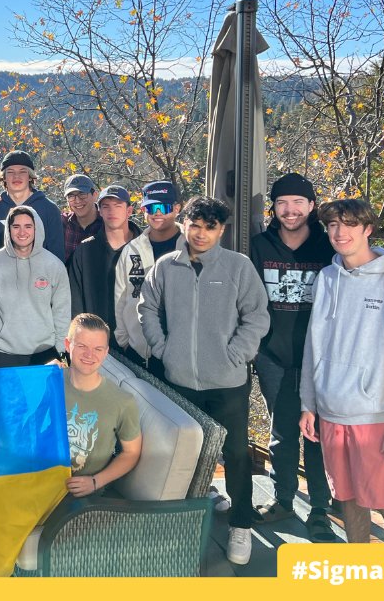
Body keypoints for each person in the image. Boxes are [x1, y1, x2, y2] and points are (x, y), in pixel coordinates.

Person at [138, 196, 269, 565]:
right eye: (195, 225)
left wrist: (235, 354)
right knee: (186, 454)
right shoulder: (166, 266)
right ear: (184, 225)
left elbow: (257, 316)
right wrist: (163, 349)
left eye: (210, 227)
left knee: (237, 454)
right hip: (179, 380)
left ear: (221, 230)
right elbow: (146, 306)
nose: (201, 233)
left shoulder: (238, 267)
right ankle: (184, 524)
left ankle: (241, 524)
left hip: (227, 380)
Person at [300, 198, 384, 544]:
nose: (339, 232)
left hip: (378, 417)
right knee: (347, 499)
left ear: (367, 229)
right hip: (332, 413)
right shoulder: (327, 278)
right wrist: (309, 403)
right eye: (333, 225)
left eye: (349, 224)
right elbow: (312, 344)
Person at [248, 173, 335, 539]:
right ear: (274, 206)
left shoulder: (327, 246)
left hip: (318, 357)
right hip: (272, 354)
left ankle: (320, 510)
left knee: (318, 435)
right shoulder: (259, 245)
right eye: (282, 202)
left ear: (312, 206)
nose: (290, 209)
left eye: (298, 202)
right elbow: (248, 299)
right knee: (282, 431)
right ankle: (283, 500)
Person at [0, 206, 70, 367]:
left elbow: (62, 311)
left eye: (28, 226)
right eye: (16, 226)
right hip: (1, 354)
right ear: (8, 229)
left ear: (36, 228)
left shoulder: (54, 265)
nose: (22, 232)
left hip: (45, 354)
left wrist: (59, 349)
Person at [61, 313, 142, 498]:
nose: (90, 355)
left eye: (98, 349)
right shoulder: (49, 381)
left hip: (81, 495)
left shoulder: (123, 401)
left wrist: (96, 482)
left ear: (106, 352)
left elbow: (132, 452)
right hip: (40, 481)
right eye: (82, 346)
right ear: (67, 345)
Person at [113, 180, 184, 378]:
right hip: (140, 352)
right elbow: (120, 296)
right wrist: (124, 340)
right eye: (151, 207)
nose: (157, 213)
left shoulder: (192, 246)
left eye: (163, 206)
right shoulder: (131, 250)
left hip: (184, 354)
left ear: (177, 208)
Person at [68, 184, 139, 339]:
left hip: (139, 343)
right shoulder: (85, 251)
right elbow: (75, 302)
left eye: (117, 206)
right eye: (105, 206)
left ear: (129, 210)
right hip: (96, 344)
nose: (111, 211)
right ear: (99, 211)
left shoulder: (145, 249)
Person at [0, 150, 65, 262]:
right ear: (3, 177)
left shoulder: (49, 209)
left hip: (39, 277)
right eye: (10, 172)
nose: (16, 176)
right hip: (1, 277)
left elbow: (57, 256)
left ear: (30, 176)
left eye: (22, 171)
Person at [60, 174, 103, 264]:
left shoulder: (108, 224)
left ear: (95, 195)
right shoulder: (60, 223)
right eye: (71, 196)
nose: (77, 201)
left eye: (82, 194)